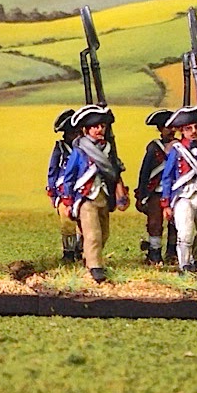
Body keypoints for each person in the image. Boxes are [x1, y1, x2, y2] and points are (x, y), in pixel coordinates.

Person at [57, 104, 128, 283]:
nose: (99, 129)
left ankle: (87, 256)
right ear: (86, 129)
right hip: (86, 198)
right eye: (95, 126)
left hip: (103, 196)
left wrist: (120, 192)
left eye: (102, 126)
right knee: (93, 234)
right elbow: (69, 176)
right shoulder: (80, 150)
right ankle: (95, 267)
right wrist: (68, 199)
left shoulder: (108, 149)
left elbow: (114, 172)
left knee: (104, 233)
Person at [160, 105, 197, 274]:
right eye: (188, 128)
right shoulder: (177, 150)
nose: (193, 131)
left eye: (196, 127)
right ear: (181, 131)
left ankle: (193, 258)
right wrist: (166, 203)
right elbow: (167, 177)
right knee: (185, 234)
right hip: (182, 197)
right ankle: (184, 265)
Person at [134, 108, 176, 266]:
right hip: (156, 192)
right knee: (155, 223)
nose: (171, 131)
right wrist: (141, 194)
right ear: (160, 129)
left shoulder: (180, 147)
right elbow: (145, 172)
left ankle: (173, 252)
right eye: (167, 127)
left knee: (176, 224)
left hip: (175, 192)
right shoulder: (154, 147)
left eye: (173, 127)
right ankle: (154, 253)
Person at [47, 108, 83, 264]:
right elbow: (53, 170)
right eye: (72, 133)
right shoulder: (60, 148)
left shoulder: (85, 148)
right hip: (64, 191)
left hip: (82, 189)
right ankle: (68, 252)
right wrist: (52, 192)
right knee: (67, 222)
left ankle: (81, 250)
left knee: (84, 221)